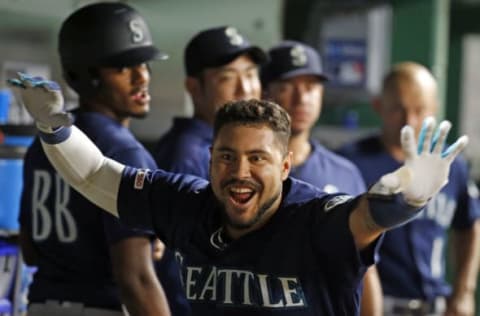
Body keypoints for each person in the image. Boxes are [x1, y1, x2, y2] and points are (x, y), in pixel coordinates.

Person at [9, 74, 468, 316]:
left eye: (257, 159)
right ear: (210, 158)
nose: (239, 173)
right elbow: (97, 177)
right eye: (226, 157)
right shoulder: (189, 203)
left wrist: (411, 198)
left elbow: (369, 216)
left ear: (285, 166)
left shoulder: (314, 218)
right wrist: (54, 127)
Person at [16, 3, 183, 316]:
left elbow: (30, 252)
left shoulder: (45, 142)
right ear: (87, 74)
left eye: (144, 64)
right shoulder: (125, 152)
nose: (142, 77)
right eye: (123, 67)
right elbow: (135, 279)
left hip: (39, 306)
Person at [337, 62, 480, 316]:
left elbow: (469, 224)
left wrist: (464, 291)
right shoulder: (349, 164)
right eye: (398, 109)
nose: (409, 120)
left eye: (420, 109)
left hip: (435, 305)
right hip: (372, 306)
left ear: (435, 109)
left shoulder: (447, 164)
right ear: (379, 107)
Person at [262, 40, 383, 316]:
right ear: (265, 92)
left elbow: (365, 270)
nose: (301, 97)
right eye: (287, 86)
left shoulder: (344, 172)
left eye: (311, 87)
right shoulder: (245, 170)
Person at [152, 25, 267, 178]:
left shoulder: (229, 143)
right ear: (194, 88)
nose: (245, 89)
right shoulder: (188, 156)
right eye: (227, 78)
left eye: (250, 74)